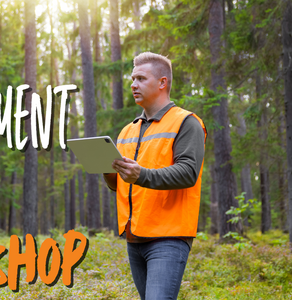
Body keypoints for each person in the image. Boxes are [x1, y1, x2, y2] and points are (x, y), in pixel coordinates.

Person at [103, 52, 207, 300]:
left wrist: (140, 174)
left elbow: (188, 172)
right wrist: (108, 170)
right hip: (134, 237)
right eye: (132, 79)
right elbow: (120, 185)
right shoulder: (127, 130)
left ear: (162, 82)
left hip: (168, 237)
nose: (133, 84)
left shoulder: (187, 122)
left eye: (140, 78)